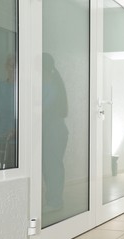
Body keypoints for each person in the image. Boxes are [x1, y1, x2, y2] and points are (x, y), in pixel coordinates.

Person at [42, 52, 69, 212]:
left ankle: (55, 202)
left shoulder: (52, 85)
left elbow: (42, 108)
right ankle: (52, 200)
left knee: (52, 166)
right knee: (48, 167)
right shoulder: (48, 83)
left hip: (55, 130)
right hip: (50, 129)